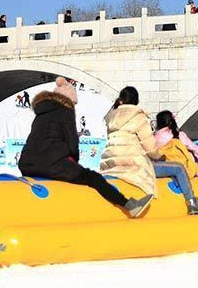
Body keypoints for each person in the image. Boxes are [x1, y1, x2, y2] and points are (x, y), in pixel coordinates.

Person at [20, 78, 151, 217]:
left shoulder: (41, 113)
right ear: (68, 99)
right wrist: (74, 163)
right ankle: (130, 206)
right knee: (93, 177)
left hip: (26, 164)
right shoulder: (66, 110)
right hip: (50, 163)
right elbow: (72, 143)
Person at [100, 86, 198, 215]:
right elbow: (150, 147)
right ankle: (192, 203)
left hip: (111, 164)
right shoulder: (138, 117)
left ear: (121, 101)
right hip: (133, 163)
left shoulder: (111, 118)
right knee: (178, 168)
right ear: (137, 101)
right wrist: (159, 156)